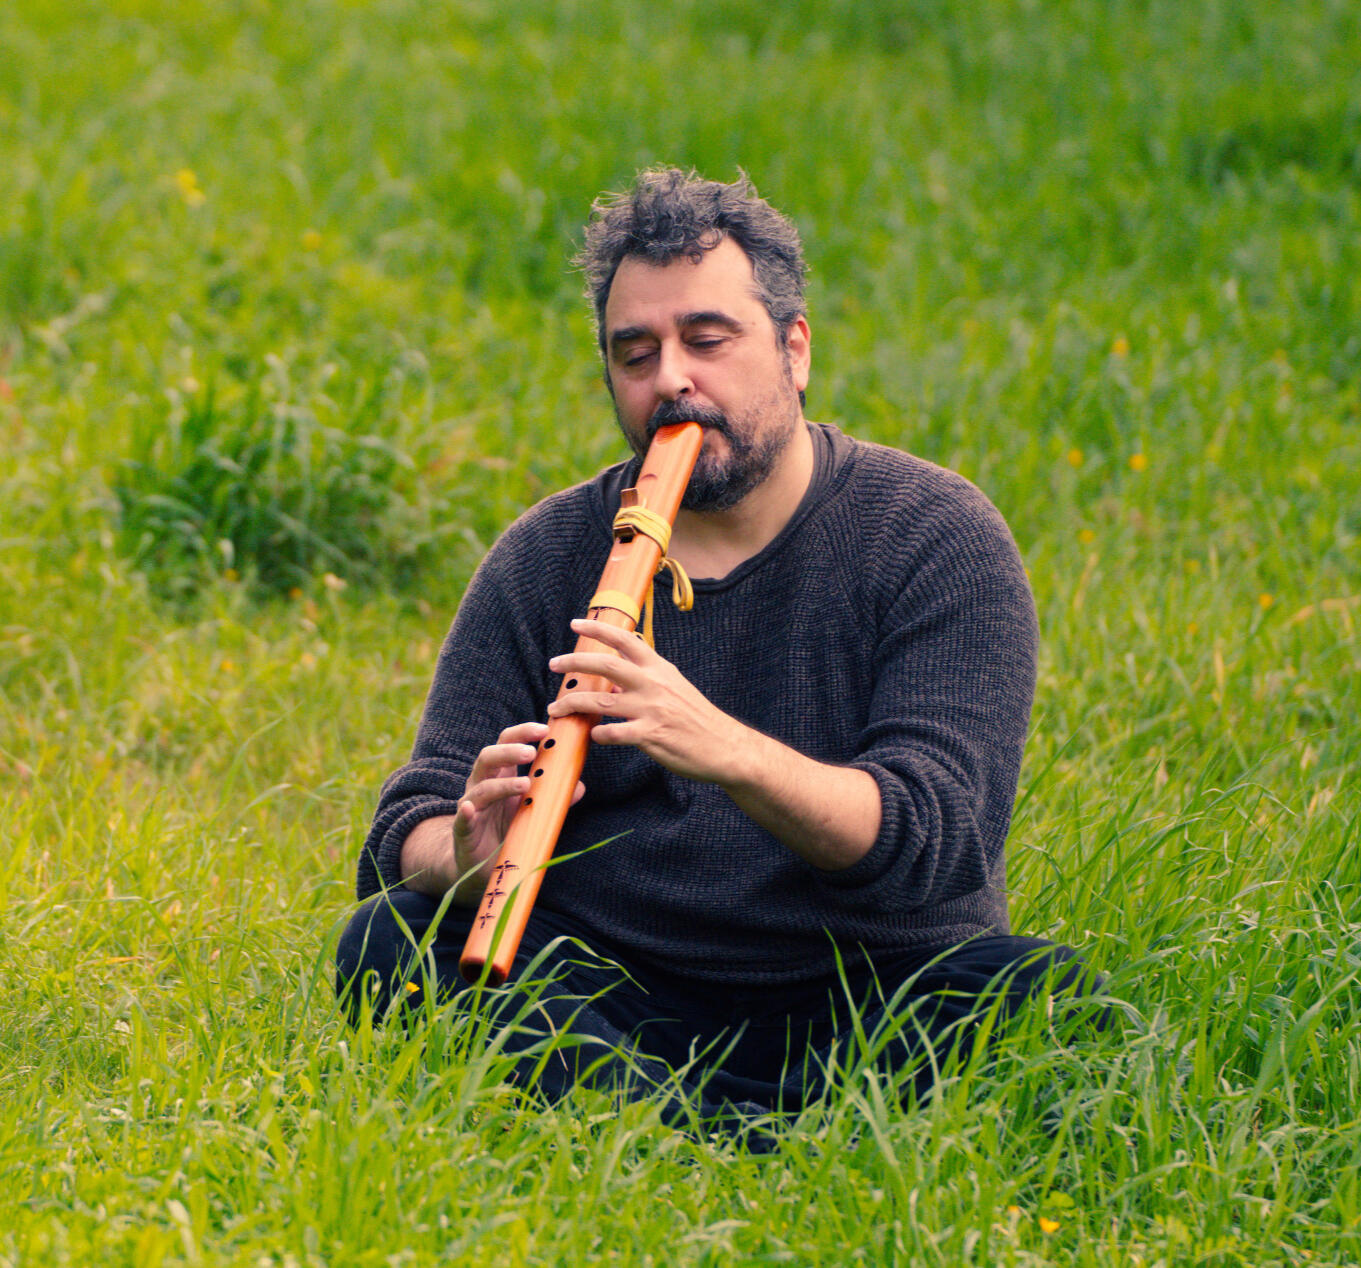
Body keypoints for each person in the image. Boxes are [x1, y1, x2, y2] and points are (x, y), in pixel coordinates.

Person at [336, 168, 1102, 1142]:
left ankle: (655, 1132)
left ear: (794, 348)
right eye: (635, 353)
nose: (669, 379)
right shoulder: (547, 554)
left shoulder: (932, 533)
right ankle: (750, 1138)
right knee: (389, 941)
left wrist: (723, 747)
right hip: (614, 985)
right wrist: (460, 852)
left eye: (706, 340)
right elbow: (402, 825)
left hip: (863, 987)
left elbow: (935, 840)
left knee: (1046, 999)